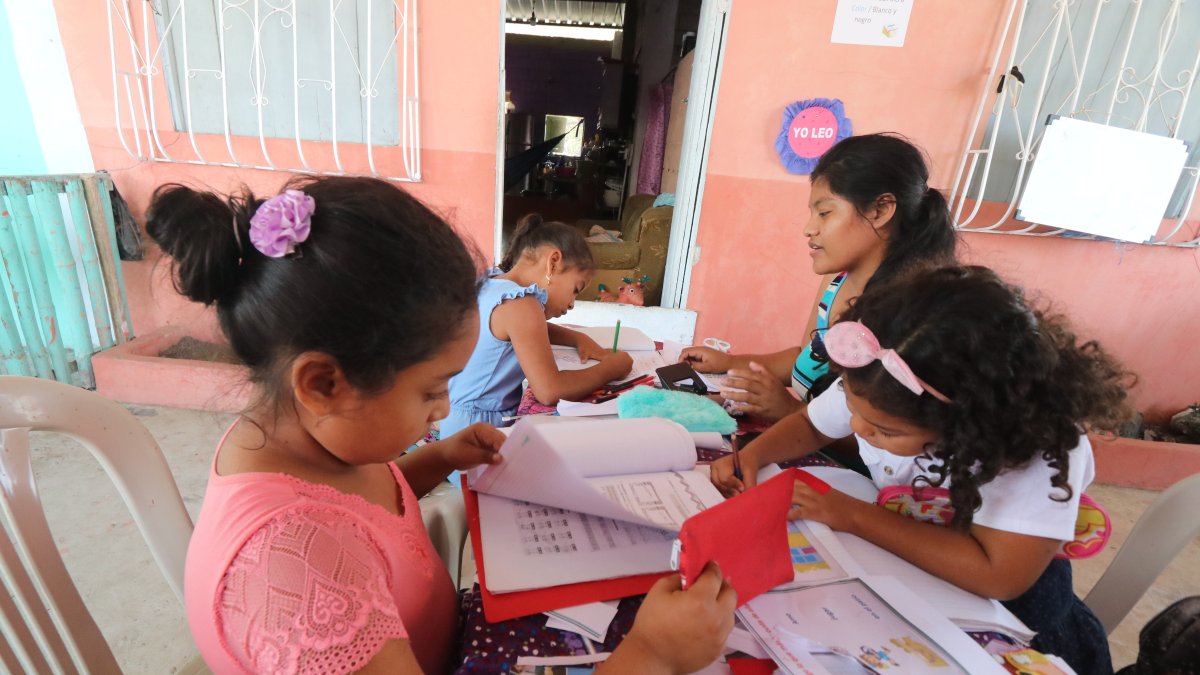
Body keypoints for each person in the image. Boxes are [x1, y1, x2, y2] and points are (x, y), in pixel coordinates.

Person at [147, 177, 734, 673]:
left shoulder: (306, 439)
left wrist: (438, 457)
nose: (443, 408)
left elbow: (356, 507)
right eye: (432, 390)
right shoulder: (295, 576)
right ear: (323, 384)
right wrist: (652, 656)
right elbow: (332, 533)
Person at [712, 265, 1129, 675]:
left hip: (1007, 623)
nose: (857, 428)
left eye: (885, 431)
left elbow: (1000, 575)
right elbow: (812, 424)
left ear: (966, 425)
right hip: (911, 577)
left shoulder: (1039, 449)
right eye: (854, 410)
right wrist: (754, 454)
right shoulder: (878, 377)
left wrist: (852, 515)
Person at [681, 133, 958, 422]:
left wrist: (789, 412)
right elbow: (808, 356)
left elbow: (884, 434)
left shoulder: (910, 315)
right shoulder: (836, 282)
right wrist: (730, 363)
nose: (809, 229)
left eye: (824, 213)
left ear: (880, 211)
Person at [441, 214, 633, 437]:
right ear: (553, 262)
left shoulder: (493, 283)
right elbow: (550, 391)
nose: (572, 304)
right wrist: (611, 369)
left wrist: (578, 338)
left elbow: (523, 331)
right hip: (480, 432)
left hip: (455, 423)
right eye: (575, 289)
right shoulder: (522, 304)